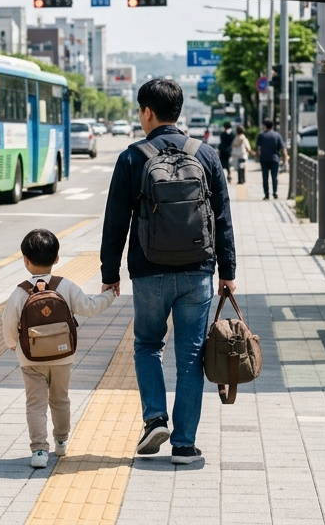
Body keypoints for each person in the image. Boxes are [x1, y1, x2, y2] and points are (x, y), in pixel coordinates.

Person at [101, 79, 237, 465]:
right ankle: (184, 445)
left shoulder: (132, 157)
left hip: (148, 271)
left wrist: (110, 272)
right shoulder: (205, 155)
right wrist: (227, 270)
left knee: (148, 344)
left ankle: (155, 419)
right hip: (198, 271)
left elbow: (116, 220)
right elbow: (222, 218)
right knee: (191, 354)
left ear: (147, 112)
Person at [1, 229, 115, 469]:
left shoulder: (20, 291)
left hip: (30, 358)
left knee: (35, 403)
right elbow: (90, 307)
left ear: (25, 260)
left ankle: (39, 450)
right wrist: (110, 295)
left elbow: (9, 321)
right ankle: (61, 441)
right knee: (60, 399)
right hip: (63, 356)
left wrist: (12, 342)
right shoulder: (65, 286)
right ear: (56, 258)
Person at [256, 119, 286, 200]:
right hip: (274, 159)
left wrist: (258, 157)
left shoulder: (261, 135)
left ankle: (266, 195)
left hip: (264, 159)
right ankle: (275, 193)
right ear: (272, 126)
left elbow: (259, 148)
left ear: (265, 126)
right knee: (274, 177)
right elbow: (283, 148)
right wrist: (285, 157)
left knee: (265, 177)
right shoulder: (277, 135)